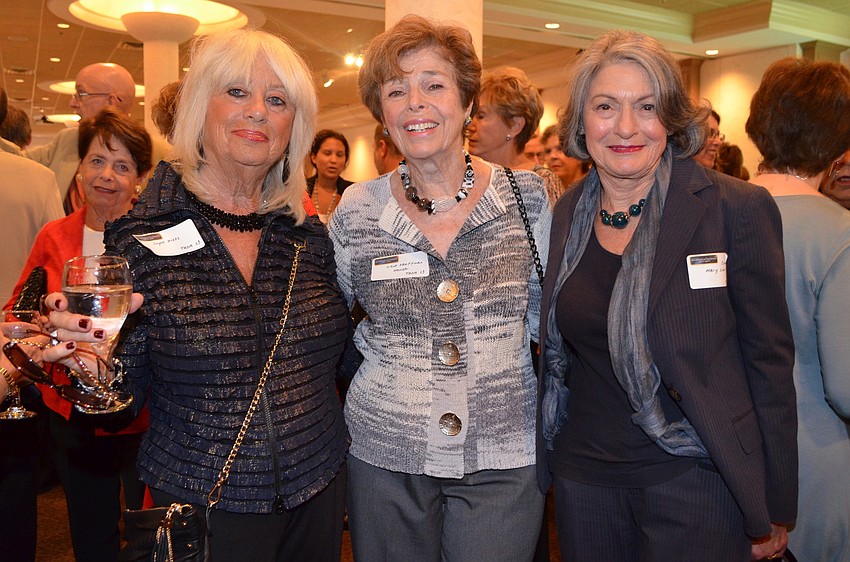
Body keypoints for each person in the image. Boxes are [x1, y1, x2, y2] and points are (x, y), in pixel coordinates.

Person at [46, 27, 350, 562]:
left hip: (318, 493)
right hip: (202, 505)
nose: (257, 111)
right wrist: (94, 373)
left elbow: (338, 360)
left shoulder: (308, 237)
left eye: (276, 100)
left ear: (292, 128)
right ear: (197, 109)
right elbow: (122, 398)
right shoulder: (140, 236)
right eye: (236, 92)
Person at [537, 30, 796, 562]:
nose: (626, 127)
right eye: (605, 106)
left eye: (647, 106)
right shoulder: (565, 214)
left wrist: (775, 499)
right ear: (581, 123)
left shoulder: (734, 208)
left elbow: (768, 362)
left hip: (697, 475)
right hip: (585, 479)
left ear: (672, 119)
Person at [331, 15, 551, 562]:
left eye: (434, 84)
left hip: (504, 455)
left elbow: (555, 323)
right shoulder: (358, 209)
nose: (415, 103)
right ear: (382, 113)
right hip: (385, 455)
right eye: (396, 90)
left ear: (468, 102)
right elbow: (323, 322)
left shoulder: (529, 199)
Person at [5, 107, 152, 561]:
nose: (106, 176)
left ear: (140, 178)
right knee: (91, 533)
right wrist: (44, 327)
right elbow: (20, 309)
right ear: (80, 169)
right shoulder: (55, 235)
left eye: (122, 165)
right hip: (71, 409)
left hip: (144, 413)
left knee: (152, 531)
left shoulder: (154, 237)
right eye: (96, 161)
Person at [746, 57, 850, 562]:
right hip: (814, 464)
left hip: (726, 458)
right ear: (836, 145)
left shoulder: (710, 214)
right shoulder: (838, 233)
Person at [24, 63, 136, 209]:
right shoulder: (68, 140)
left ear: (110, 101)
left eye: (81, 94)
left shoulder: (153, 154)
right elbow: (17, 159)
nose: (72, 103)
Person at [466, 66, 563, 207]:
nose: (470, 126)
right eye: (471, 116)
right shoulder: (469, 177)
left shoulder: (542, 182)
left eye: (481, 116)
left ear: (515, 125)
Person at [306, 129, 353, 224]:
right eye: (327, 153)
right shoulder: (301, 190)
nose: (333, 160)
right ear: (314, 157)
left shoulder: (353, 192)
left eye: (339, 155)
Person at [541, 123, 585, 193]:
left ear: (579, 154)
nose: (552, 156)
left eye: (560, 149)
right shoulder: (546, 194)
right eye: (548, 151)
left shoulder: (595, 191)